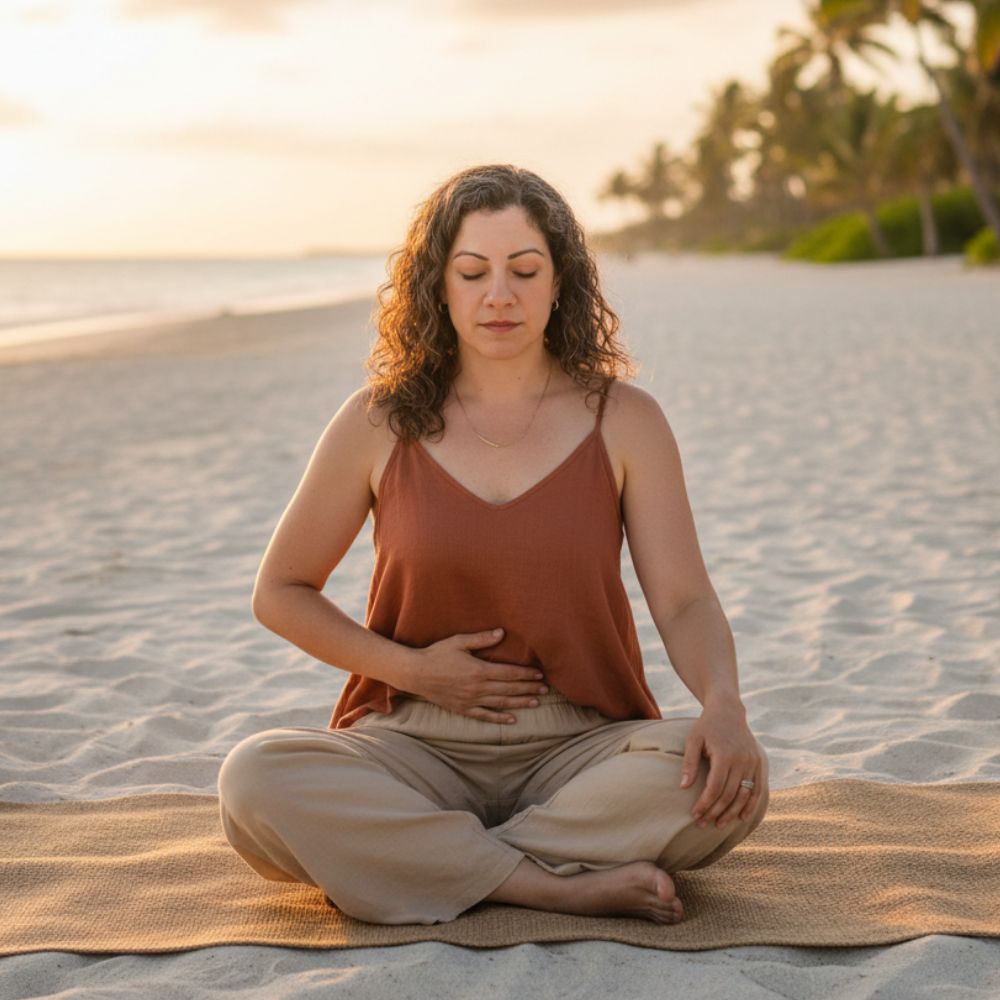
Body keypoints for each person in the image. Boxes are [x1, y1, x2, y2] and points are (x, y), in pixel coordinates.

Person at [218, 163, 769, 927]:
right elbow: (279, 591)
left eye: (524, 270)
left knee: (730, 781)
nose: (499, 296)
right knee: (255, 779)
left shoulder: (627, 420)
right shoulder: (378, 421)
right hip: (412, 745)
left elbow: (683, 599)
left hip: (582, 748)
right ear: (438, 287)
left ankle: (436, 861)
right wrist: (412, 671)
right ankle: (547, 884)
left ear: (560, 282)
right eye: (472, 272)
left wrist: (724, 706)